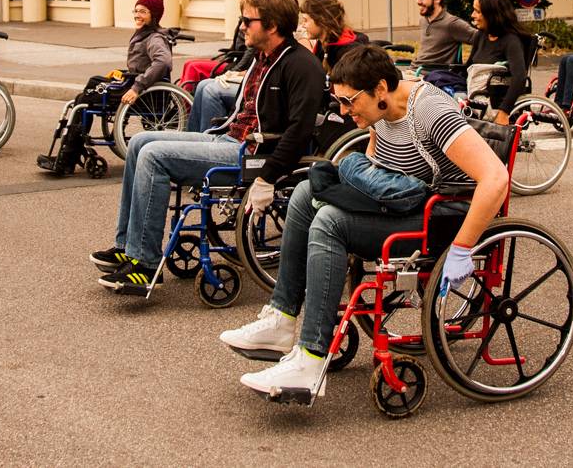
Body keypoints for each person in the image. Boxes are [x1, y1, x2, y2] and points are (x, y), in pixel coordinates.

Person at [216, 43, 510, 402]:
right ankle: (281, 319)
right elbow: (375, 161)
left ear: (380, 89)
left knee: (330, 222)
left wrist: (462, 249)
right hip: (403, 204)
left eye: (349, 101)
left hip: (441, 217)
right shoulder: (379, 113)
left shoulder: (430, 111)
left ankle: (310, 359)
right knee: (305, 193)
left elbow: (496, 178)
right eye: (339, 101)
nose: (343, 110)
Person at [93, 0, 325, 295]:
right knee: (139, 142)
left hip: (251, 154)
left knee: (154, 155)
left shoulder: (300, 65)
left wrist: (267, 178)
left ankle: (145, 264)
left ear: (271, 26)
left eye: (248, 21)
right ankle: (127, 246)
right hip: (228, 138)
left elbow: (299, 131)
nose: (242, 27)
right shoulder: (263, 57)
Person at [38, 0, 175, 174]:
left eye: (143, 11)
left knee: (84, 100)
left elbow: (163, 62)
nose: (137, 15)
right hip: (137, 85)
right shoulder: (145, 34)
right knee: (89, 88)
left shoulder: (154, 38)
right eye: (136, 10)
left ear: (154, 15)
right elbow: (141, 67)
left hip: (145, 94)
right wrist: (122, 74)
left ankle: (68, 158)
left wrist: (137, 88)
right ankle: (70, 155)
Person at [181, 0, 266, 87]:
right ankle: (181, 96)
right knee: (189, 63)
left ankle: (185, 97)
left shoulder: (254, 22)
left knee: (193, 67)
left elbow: (250, 53)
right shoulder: (246, 17)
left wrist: (233, 72)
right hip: (233, 60)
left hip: (238, 65)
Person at [466, 0, 532, 122]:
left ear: (491, 14)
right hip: (474, 93)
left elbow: (519, 77)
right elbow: (466, 68)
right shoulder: (481, 36)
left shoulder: (511, 41)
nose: (472, 15)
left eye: (477, 11)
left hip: (492, 101)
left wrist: (504, 111)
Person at [411, 0, 478, 94]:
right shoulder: (423, 21)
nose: (418, 1)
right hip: (413, 72)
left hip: (428, 77)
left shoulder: (452, 24)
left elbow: (481, 38)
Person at [298, 0, 365, 73]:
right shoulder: (322, 44)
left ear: (322, 21)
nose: (302, 25)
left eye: (305, 20)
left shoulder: (348, 54)